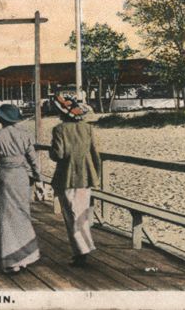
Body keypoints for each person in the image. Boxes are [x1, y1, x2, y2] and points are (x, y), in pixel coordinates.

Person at [0, 104, 44, 274]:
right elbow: (34, 160)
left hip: (4, 177)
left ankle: (10, 261)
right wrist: (39, 179)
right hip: (21, 177)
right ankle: (25, 257)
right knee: (22, 215)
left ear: (0, 119)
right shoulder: (25, 135)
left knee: (5, 218)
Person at [50, 94, 101, 267]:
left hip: (67, 177)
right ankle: (84, 249)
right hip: (86, 176)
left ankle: (81, 252)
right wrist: (96, 174)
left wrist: (51, 150)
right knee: (82, 213)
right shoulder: (87, 128)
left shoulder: (59, 129)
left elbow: (58, 154)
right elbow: (95, 153)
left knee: (71, 215)